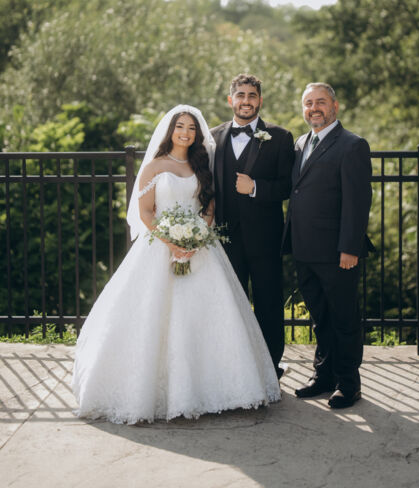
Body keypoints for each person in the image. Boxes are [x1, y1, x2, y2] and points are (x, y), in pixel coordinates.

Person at [72, 105, 280, 424]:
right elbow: (146, 212)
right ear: (170, 131)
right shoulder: (154, 166)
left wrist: (197, 238)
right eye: (180, 126)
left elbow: (208, 207)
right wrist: (171, 243)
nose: (186, 133)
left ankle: (217, 389)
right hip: (159, 248)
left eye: (192, 128)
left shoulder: (201, 165)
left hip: (200, 250)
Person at [283, 83, 373, 409]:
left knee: (344, 319)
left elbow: (357, 203)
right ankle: (323, 376)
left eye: (320, 102)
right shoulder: (300, 143)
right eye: (308, 103)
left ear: (335, 106)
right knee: (320, 318)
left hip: (337, 252)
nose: (314, 108)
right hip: (304, 249)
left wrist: (350, 247)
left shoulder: (352, 145)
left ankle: (348, 384)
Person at [211, 74, 295, 378]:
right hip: (224, 238)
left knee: (269, 302)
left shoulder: (280, 137)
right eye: (240, 95)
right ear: (230, 100)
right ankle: (233, 366)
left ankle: (270, 367)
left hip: (265, 237)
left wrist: (256, 188)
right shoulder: (213, 137)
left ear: (260, 100)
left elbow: (288, 185)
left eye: (252, 95)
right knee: (229, 303)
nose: (246, 101)